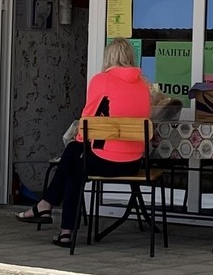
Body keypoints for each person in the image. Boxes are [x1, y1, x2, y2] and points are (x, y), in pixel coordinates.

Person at [19, 38, 153, 247]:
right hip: (134, 163)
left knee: (73, 153)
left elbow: (87, 121)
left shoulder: (102, 80)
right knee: (75, 169)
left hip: (105, 161)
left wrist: (79, 141)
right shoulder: (144, 86)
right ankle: (64, 232)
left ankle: (48, 207)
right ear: (130, 57)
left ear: (108, 57)